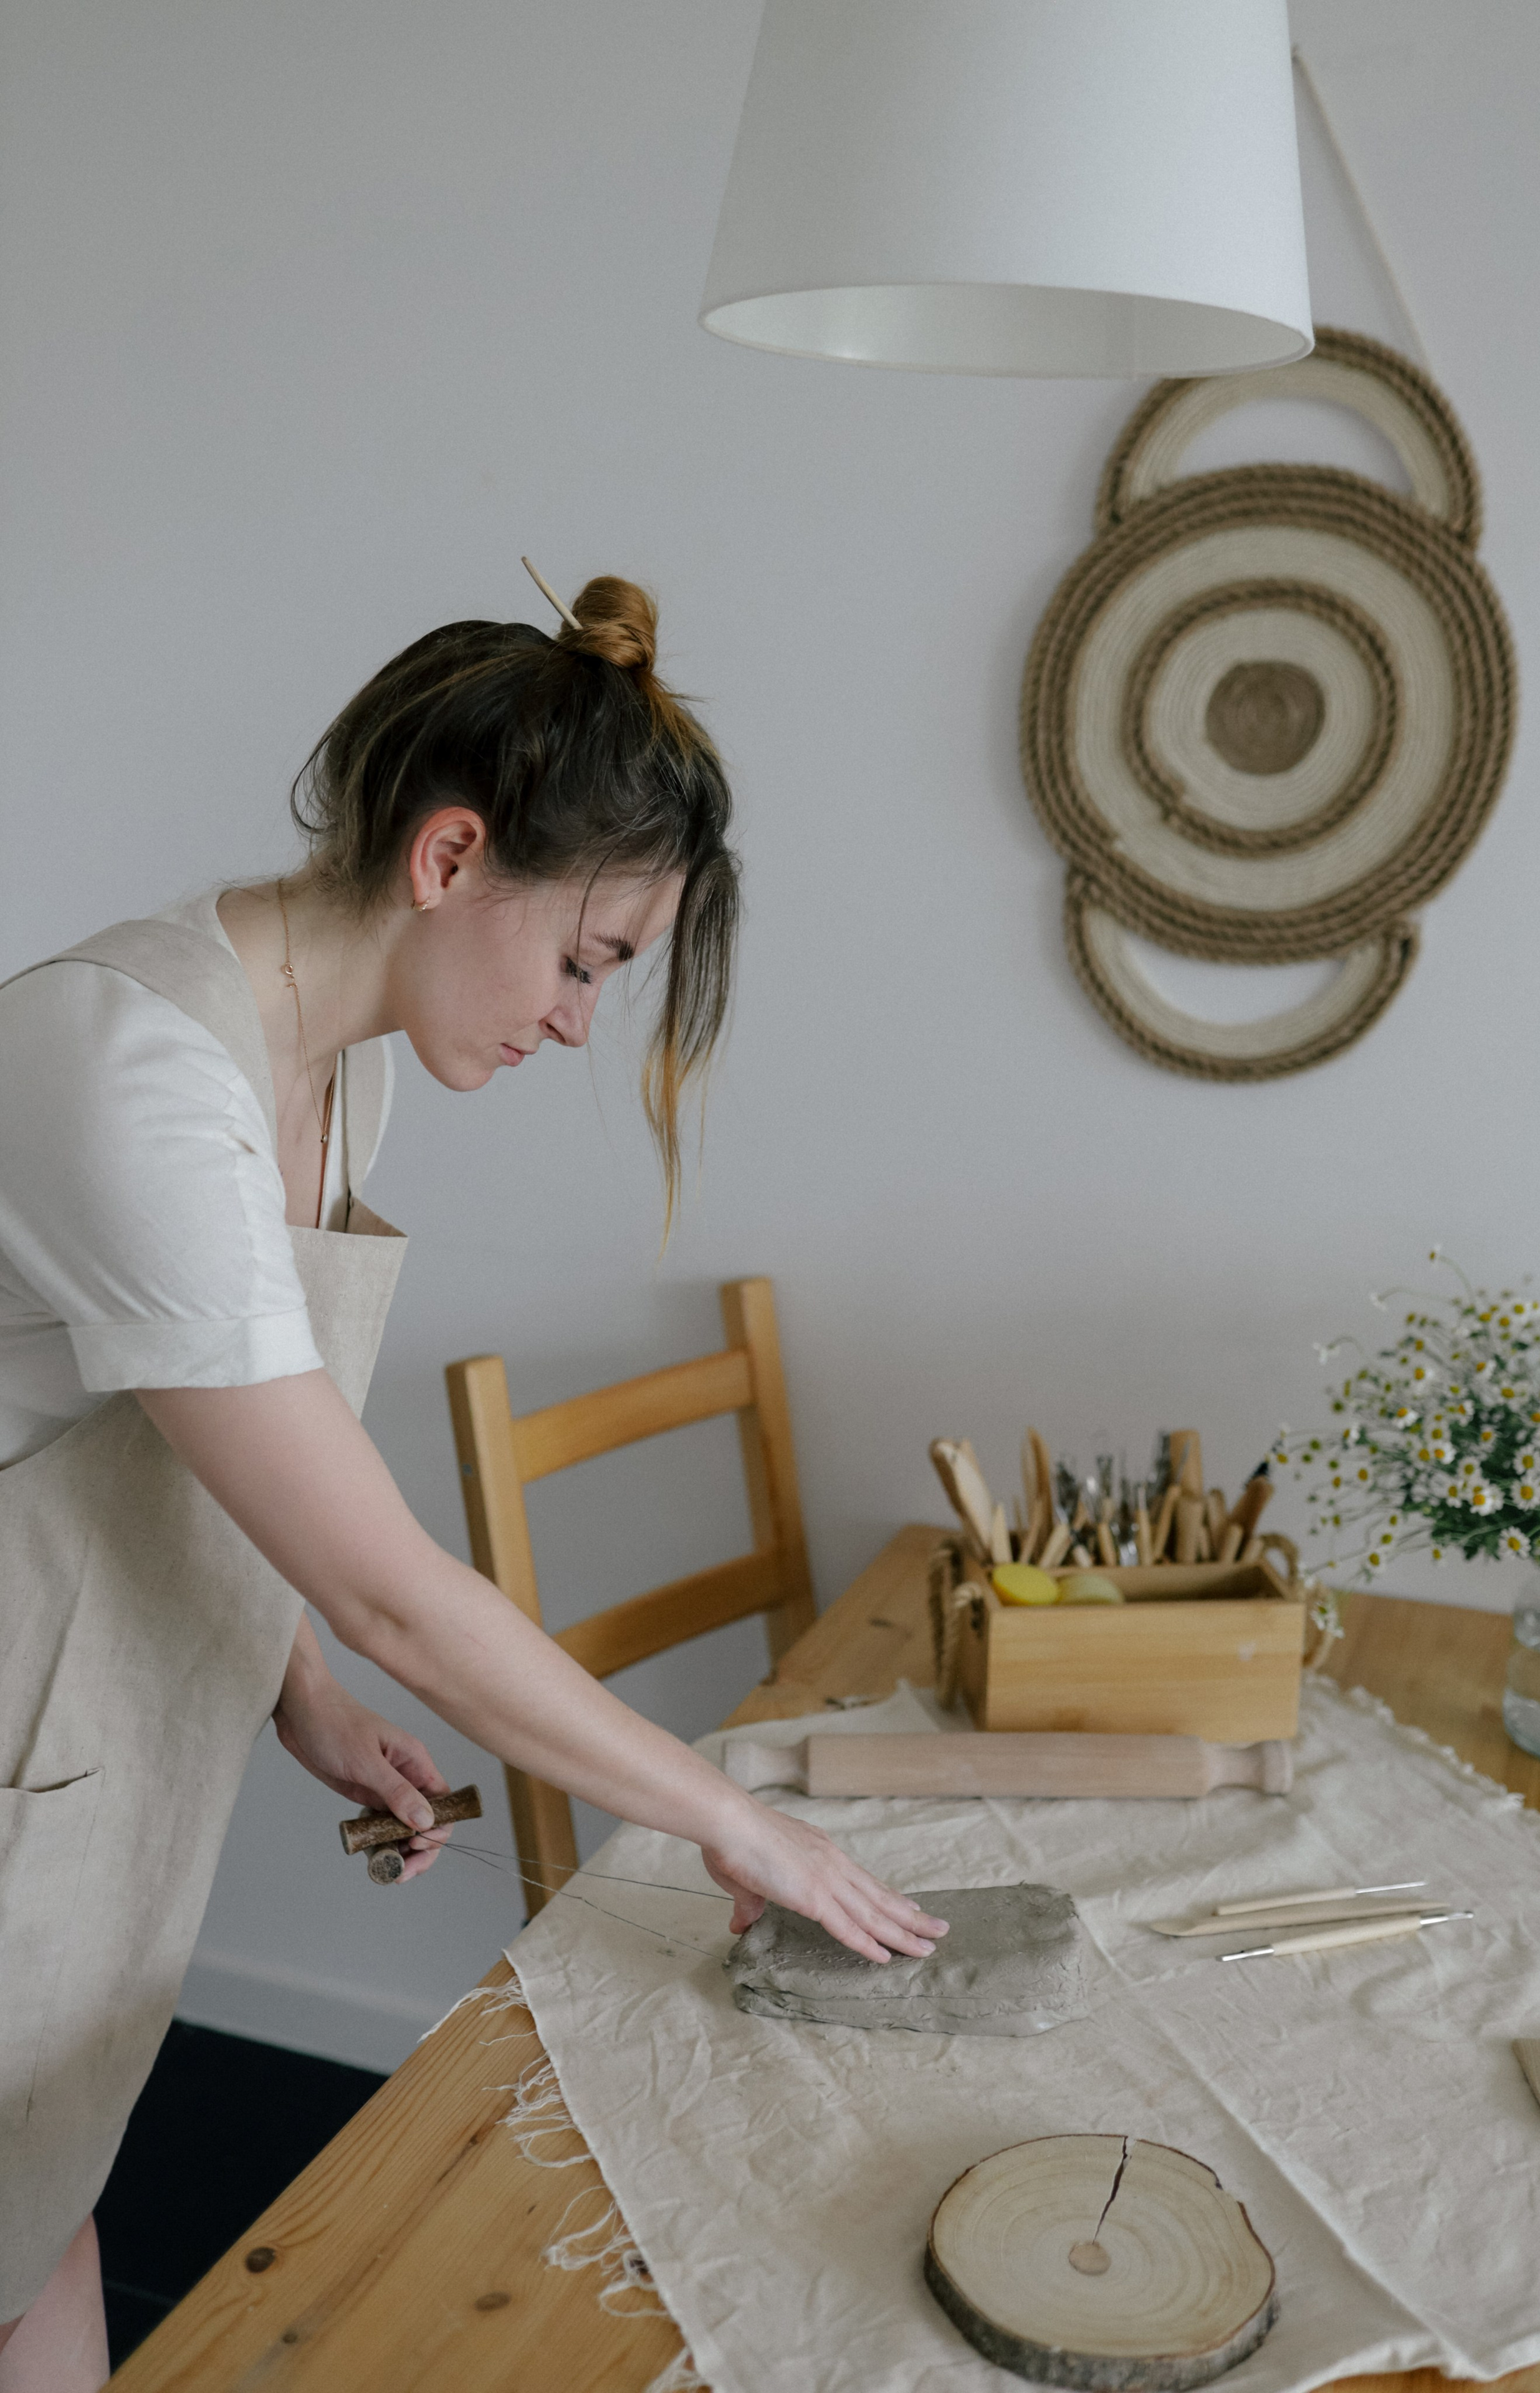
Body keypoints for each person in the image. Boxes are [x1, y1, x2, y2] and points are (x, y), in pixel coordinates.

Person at [0, 575, 947, 2389]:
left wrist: (293, 1683)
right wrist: (732, 1820)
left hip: (83, 1750)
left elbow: (180, 1438)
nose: (584, 1024)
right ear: (449, 858)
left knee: (46, 2213)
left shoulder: (339, 1070)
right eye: (588, 960)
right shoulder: (131, 1073)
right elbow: (391, 1587)